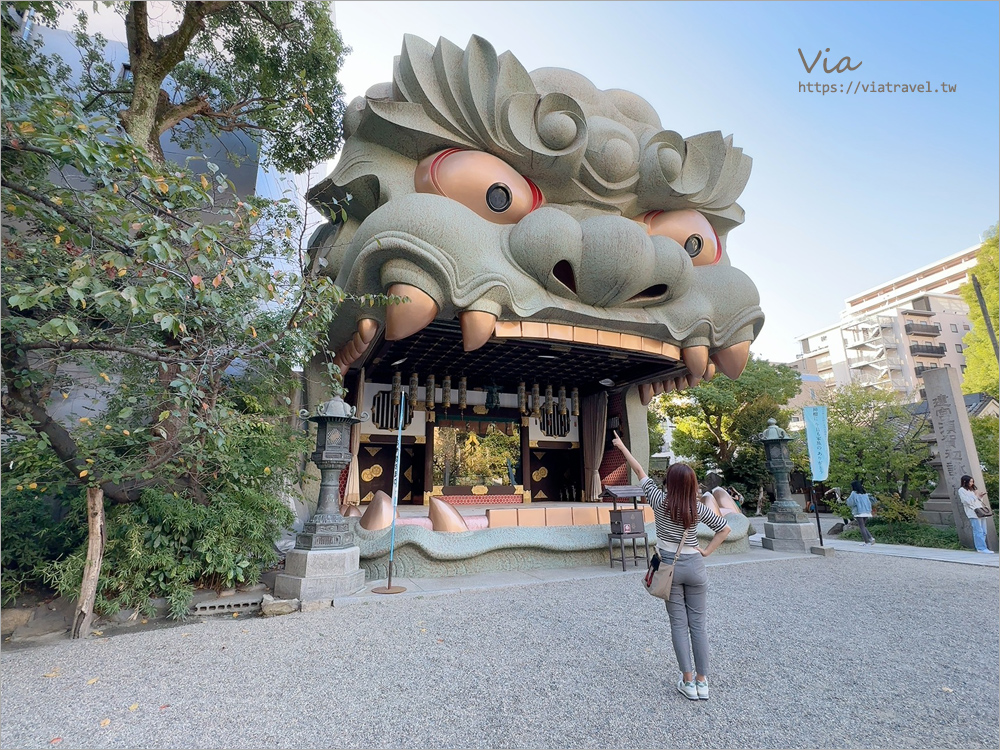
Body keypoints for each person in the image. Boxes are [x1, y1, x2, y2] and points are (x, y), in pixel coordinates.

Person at [611, 431, 730, 702]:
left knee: (679, 624)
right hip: (695, 565)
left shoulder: (658, 501)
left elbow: (639, 469)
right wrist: (707, 551)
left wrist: (621, 446)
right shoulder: (697, 509)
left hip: (670, 568)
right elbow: (724, 529)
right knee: (698, 625)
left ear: (669, 484)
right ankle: (703, 682)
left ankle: (687, 681)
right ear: (692, 485)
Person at [958, 475, 995, 554]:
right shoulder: (961, 490)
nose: (972, 483)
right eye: (970, 481)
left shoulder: (972, 490)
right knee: (978, 531)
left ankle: (982, 547)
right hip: (973, 512)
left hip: (980, 511)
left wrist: (980, 496)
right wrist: (976, 496)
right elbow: (966, 501)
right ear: (965, 482)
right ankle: (981, 548)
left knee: (984, 531)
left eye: (972, 481)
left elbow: (978, 501)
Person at [845, 480, 875, 545]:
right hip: (867, 511)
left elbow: (850, 503)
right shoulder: (865, 493)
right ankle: (871, 538)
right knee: (863, 526)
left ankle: (867, 542)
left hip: (859, 512)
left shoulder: (854, 493)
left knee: (861, 527)